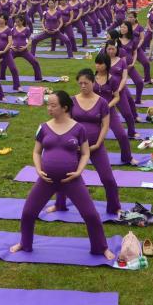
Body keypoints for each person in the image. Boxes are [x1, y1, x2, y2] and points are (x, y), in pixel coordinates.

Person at [9, 91, 115, 261]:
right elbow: (36, 152)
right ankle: (25, 243)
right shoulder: (43, 127)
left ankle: (100, 247)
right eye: (48, 105)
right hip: (47, 180)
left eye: (53, 105)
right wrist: (38, 169)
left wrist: (79, 171)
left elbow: (86, 153)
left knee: (91, 215)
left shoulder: (79, 129)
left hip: (72, 181)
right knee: (28, 213)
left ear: (65, 107)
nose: (48, 108)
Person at [50, 69, 121, 216]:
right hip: (74, 146)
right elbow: (66, 122)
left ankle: (114, 207)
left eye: (86, 83)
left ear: (93, 83)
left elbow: (105, 125)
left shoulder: (101, 102)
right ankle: (59, 204)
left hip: (95, 145)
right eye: (80, 83)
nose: (83, 86)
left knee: (107, 178)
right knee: (64, 174)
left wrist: (98, 144)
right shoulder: (72, 101)